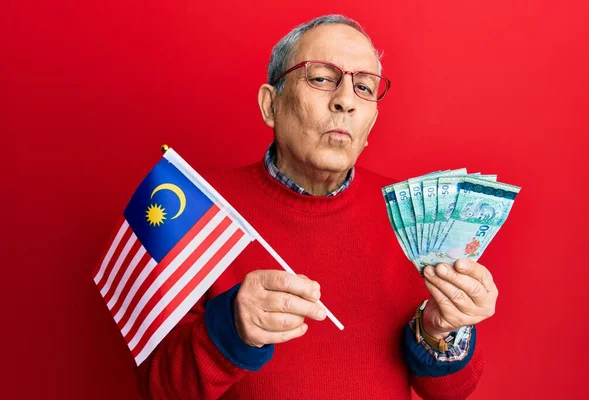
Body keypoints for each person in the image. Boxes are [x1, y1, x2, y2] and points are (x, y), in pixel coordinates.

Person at [137, 14, 497, 400]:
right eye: (322, 78)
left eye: (363, 86)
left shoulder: (410, 213)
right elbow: (158, 389)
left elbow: (448, 392)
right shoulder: (191, 207)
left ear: (371, 122)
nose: (345, 101)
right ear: (270, 105)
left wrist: (440, 329)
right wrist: (231, 328)